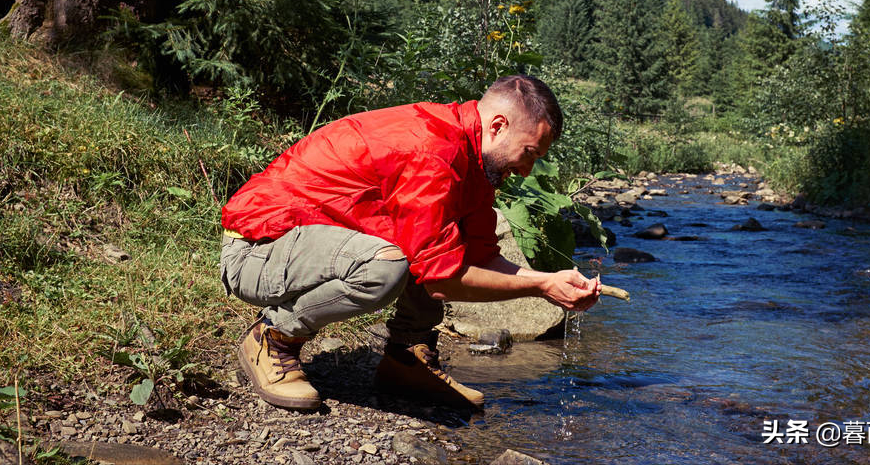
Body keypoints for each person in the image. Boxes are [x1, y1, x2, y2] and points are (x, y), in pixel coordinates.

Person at [219, 74, 601, 410]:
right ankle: (274, 337)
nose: (527, 168)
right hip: (258, 249)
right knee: (383, 268)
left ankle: (406, 360)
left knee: (436, 247)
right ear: (498, 126)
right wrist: (539, 286)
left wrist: (549, 279)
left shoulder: (476, 163)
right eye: (529, 152)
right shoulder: (434, 151)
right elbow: (442, 279)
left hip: (310, 245)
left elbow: (478, 257)